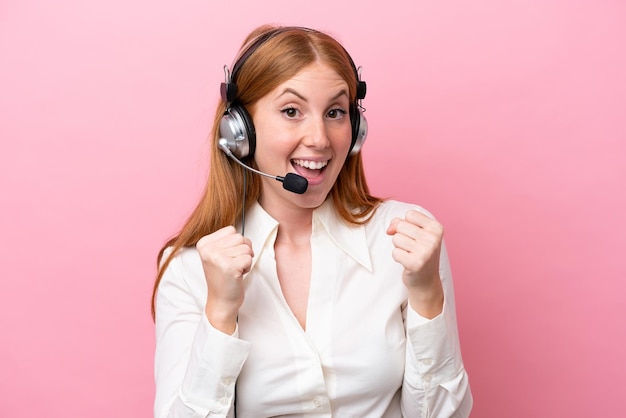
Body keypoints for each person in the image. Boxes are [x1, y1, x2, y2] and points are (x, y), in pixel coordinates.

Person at [152, 24, 473, 418]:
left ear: (355, 130)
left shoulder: (406, 239)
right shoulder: (189, 268)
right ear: (240, 132)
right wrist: (219, 313)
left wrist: (427, 295)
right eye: (291, 112)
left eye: (335, 112)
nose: (320, 138)